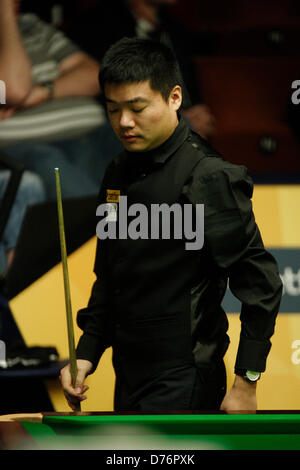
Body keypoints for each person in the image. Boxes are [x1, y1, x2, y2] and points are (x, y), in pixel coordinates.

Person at [60, 37, 282, 412]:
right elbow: (111, 278)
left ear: (174, 98)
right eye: (113, 109)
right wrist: (86, 353)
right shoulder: (116, 173)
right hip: (127, 378)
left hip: (186, 379)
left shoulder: (208, 176)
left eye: (137, 107)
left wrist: (248, 380)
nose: (124, 122)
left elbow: (261, 284)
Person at [0, 0, 122, 200]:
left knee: (158, 130)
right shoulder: (10, 25)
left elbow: (95, 75)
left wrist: (44, 91)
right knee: (50, 162)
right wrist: (5, 15)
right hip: (27, 145)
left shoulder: (32, 25)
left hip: (92, 134)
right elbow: (14, 90)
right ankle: (109, 228)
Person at [68, 0, 217, 140]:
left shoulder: (176, 30)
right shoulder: (95, 27)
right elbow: (105, 99)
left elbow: (191, 97)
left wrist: (198, 117)